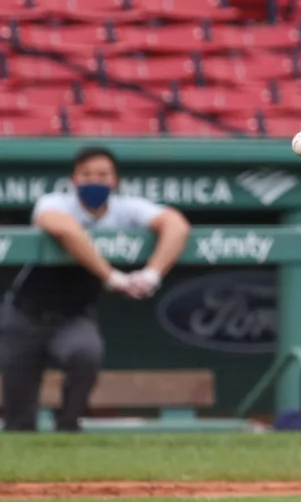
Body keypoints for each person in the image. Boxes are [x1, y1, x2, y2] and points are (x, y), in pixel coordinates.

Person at [0, 146, 191, 432]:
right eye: (86, 174)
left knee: (86, 353)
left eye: (102, 174)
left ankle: (68, 426)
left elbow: (176, 225)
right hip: (24, 313)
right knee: (19, 420)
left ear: (115, 181)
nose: (94, 180)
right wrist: (111, 276)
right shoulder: (55, 202)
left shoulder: (125, 208)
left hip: (73, 315)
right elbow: (64, 229)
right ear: (73, 179)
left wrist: (152, 274)